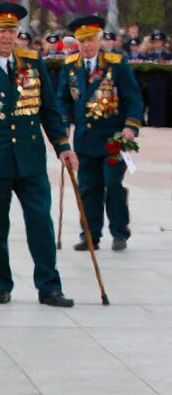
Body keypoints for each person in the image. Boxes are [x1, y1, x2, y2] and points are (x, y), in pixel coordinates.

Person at [0, 2, 78, 307]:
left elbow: (49, 110)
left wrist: (63, 146)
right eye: (1, 31)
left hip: (30, 160)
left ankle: (49, 286)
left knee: (40, 223)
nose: (7, 37)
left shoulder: (33, 63)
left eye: (12, 31)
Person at [56, 15, 144, 251]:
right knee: (88, 187)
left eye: (90, 40)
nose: (86, 45)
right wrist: (63, 123)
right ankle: (90, 235)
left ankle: (119, 232)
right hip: (84, 139)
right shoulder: (71, 66)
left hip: (113, 139)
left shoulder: (116, 63)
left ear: (99, 38)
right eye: (82, 41)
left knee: (112, 184)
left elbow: (134, 98)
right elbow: (63, 98)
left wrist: (131, 126)